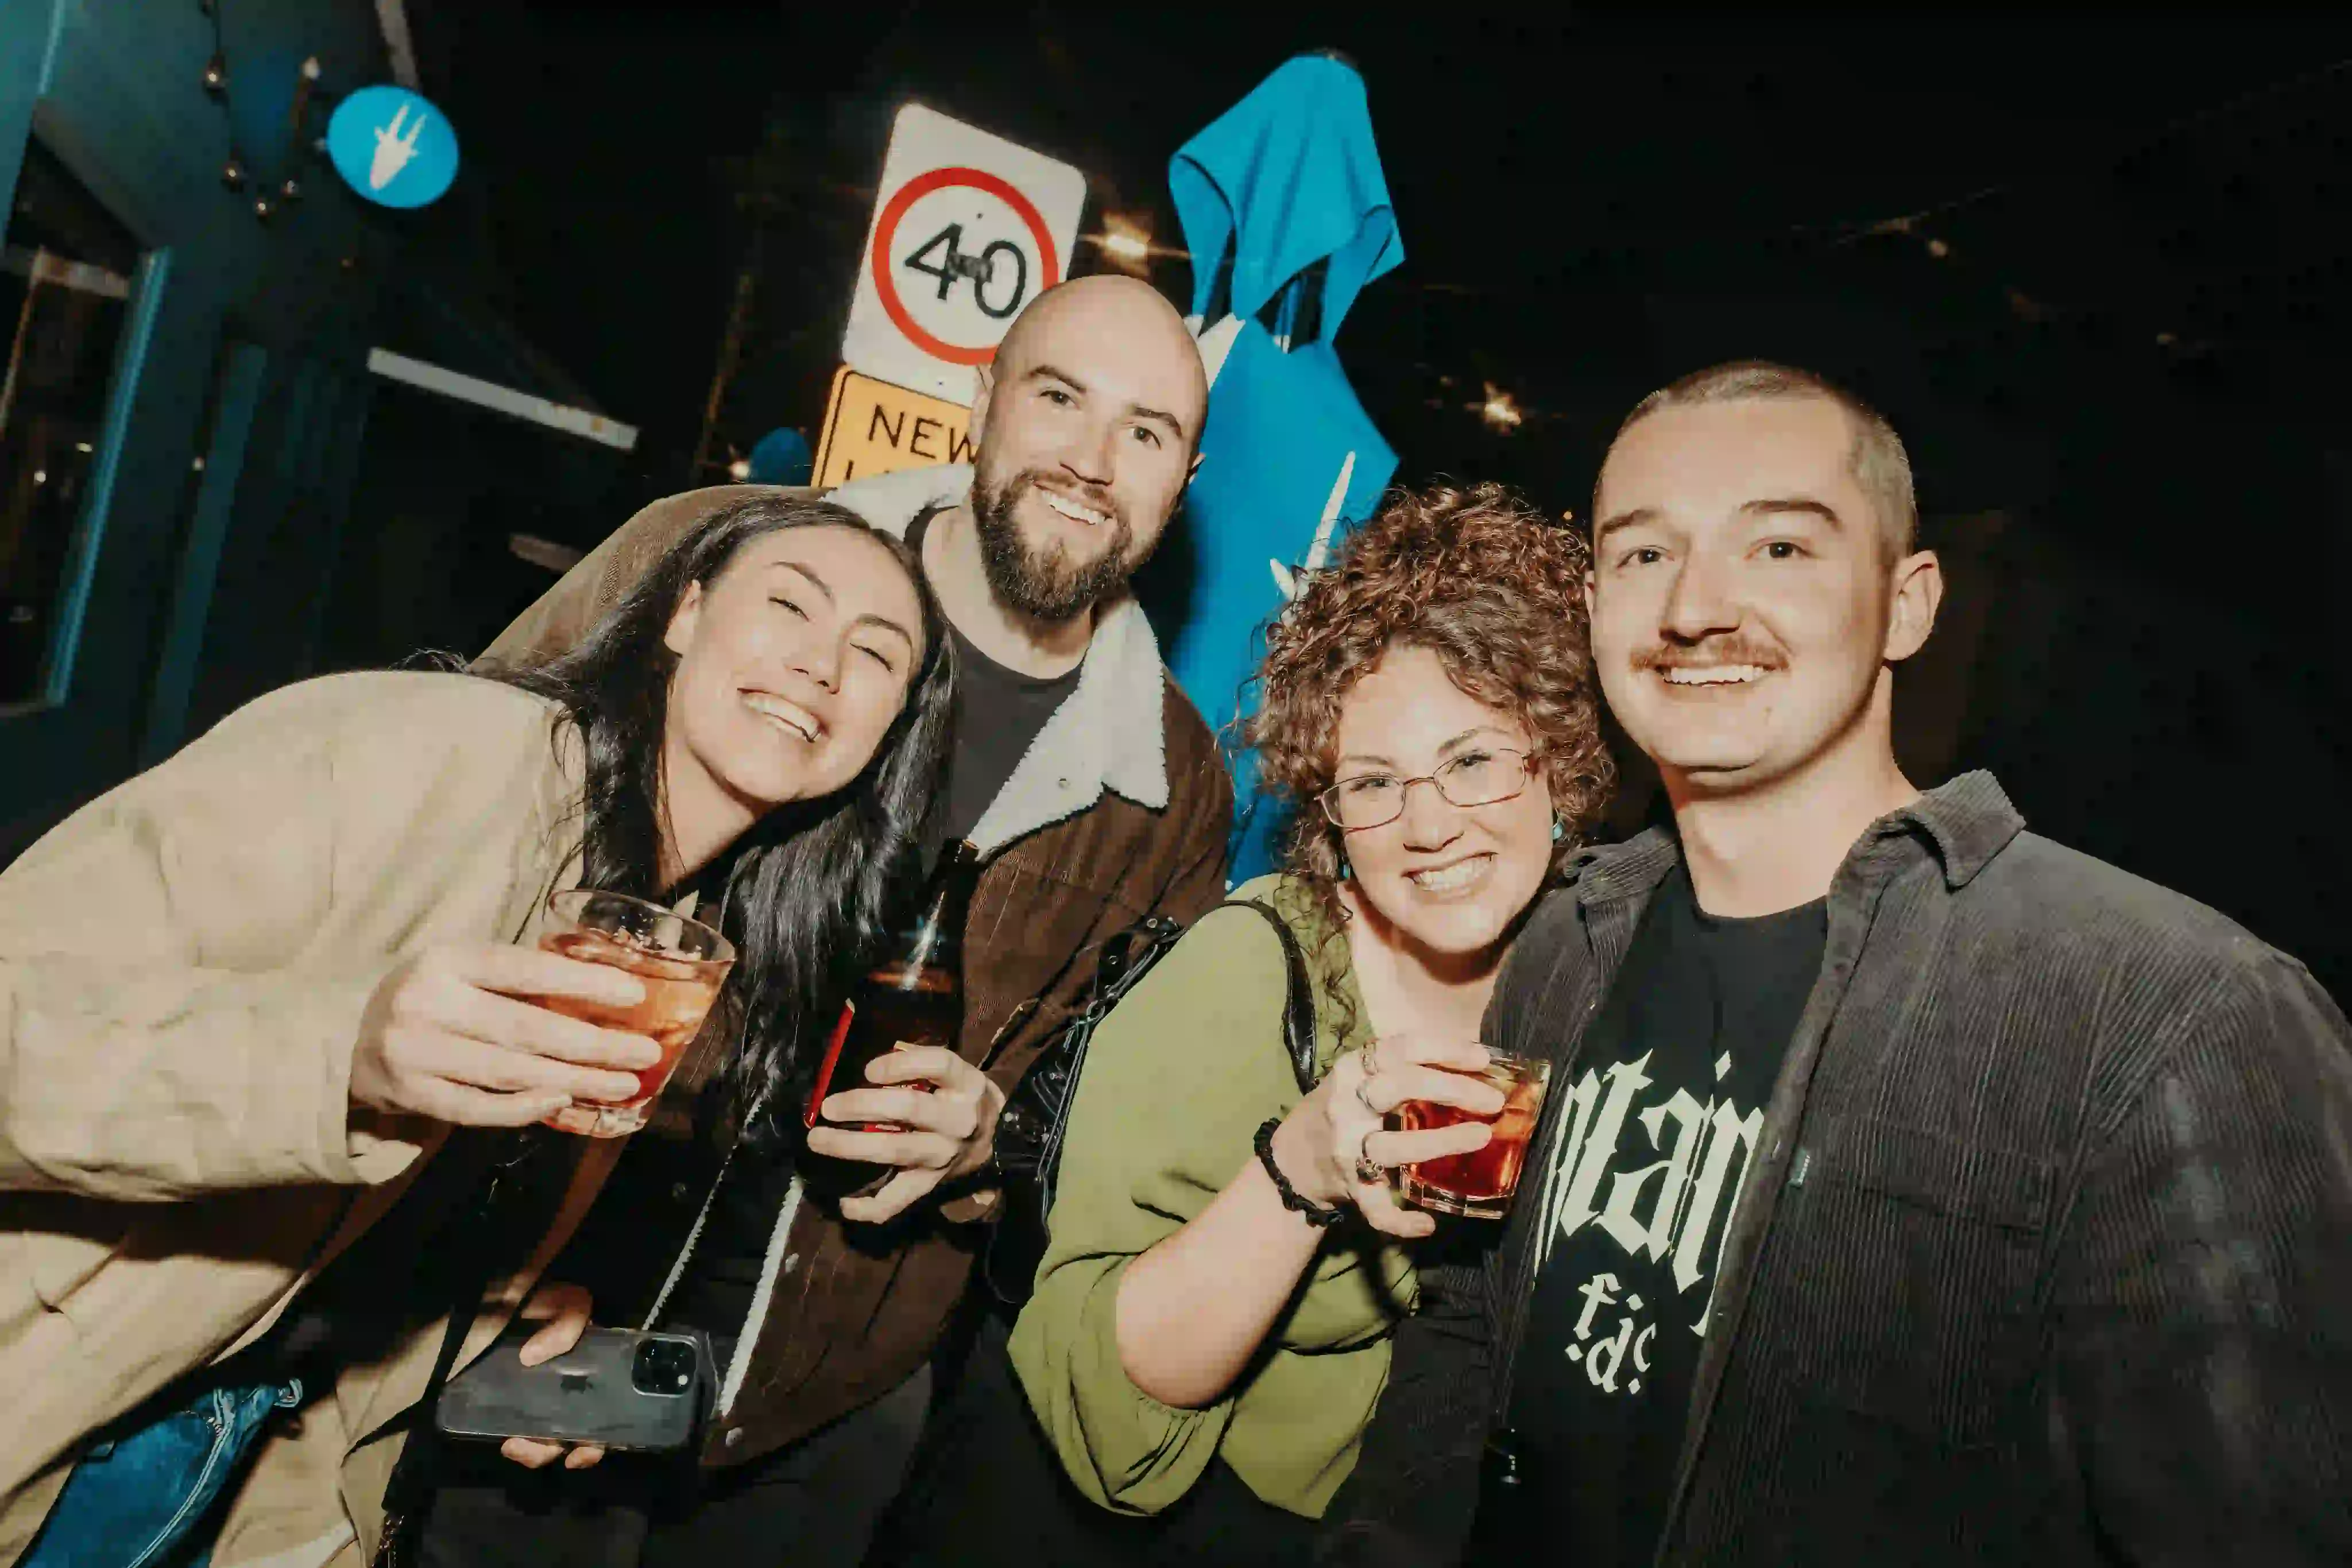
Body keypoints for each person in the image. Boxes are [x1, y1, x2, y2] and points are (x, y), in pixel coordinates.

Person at [1328, 362, 2352, 1567]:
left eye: (1778, 548)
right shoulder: (1565, 939)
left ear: (1906, 604)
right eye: (1646, 553)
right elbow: (1468, 1325)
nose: (1696, 607)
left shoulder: (2171, 1012)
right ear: (1596, 605)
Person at [427, 272, 1233, 1566]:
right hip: (536, 1297)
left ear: (1182, 480)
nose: (1091, 461)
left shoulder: (1173, 783)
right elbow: (449, 811)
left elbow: (1120, 1122)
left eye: (1144, 431)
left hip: (820, 1406)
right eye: (1059, 397)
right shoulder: (723, 555)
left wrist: (995, 1143)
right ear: (982, 397)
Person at [0, 493, 952, 1568]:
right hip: (55, 1410)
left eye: (876, 654)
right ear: (684, 614)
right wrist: (344, 1058)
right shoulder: (422, 747)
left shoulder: (673, 944)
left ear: (886, 733)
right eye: (790, 604)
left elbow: (355, 1243)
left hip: (228, 1463)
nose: (823, 664)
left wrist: (496, 1303)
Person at [872, 485, 1613, 1566]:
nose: (1428, 823)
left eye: (1471, 760)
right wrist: (1301, 1166)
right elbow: (1107, 1404)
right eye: (1374, 781)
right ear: (1331, 816)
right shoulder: (1254, 969)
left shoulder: (1590, 972)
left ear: (1558, 755)